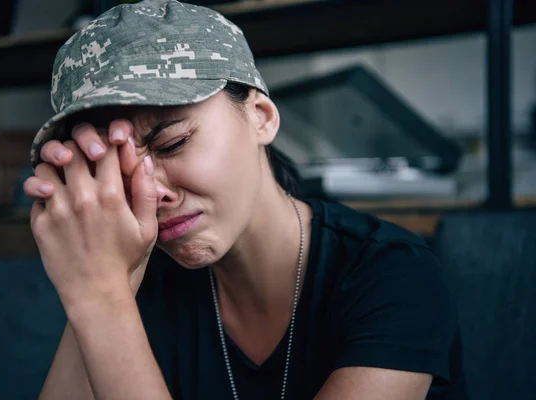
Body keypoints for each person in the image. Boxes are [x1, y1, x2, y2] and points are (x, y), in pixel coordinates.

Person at [24, 1, 462, 399]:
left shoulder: (393, 273)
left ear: (261, 117)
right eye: (115, 170)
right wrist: (105, 287)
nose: (149, 192)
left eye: (173, 143)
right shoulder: (129, 280)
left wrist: (102, 299)